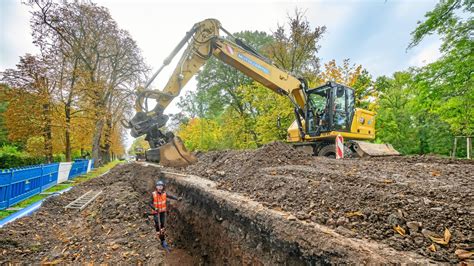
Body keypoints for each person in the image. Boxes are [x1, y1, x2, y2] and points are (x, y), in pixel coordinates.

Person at [150, 180, 180, 252]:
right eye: (158, 186)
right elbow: (149, 203)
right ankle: (159, 238)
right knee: (158, 224)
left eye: (161, 186)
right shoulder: (153, 194)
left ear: (163, 187)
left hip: (162, 212)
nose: (160, 187)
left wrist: (177, 198)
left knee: (162, 226)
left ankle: (163, 240)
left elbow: (170, 196)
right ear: (156, 187)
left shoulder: (164, 193)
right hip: (156, 212)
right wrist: (155, 208)